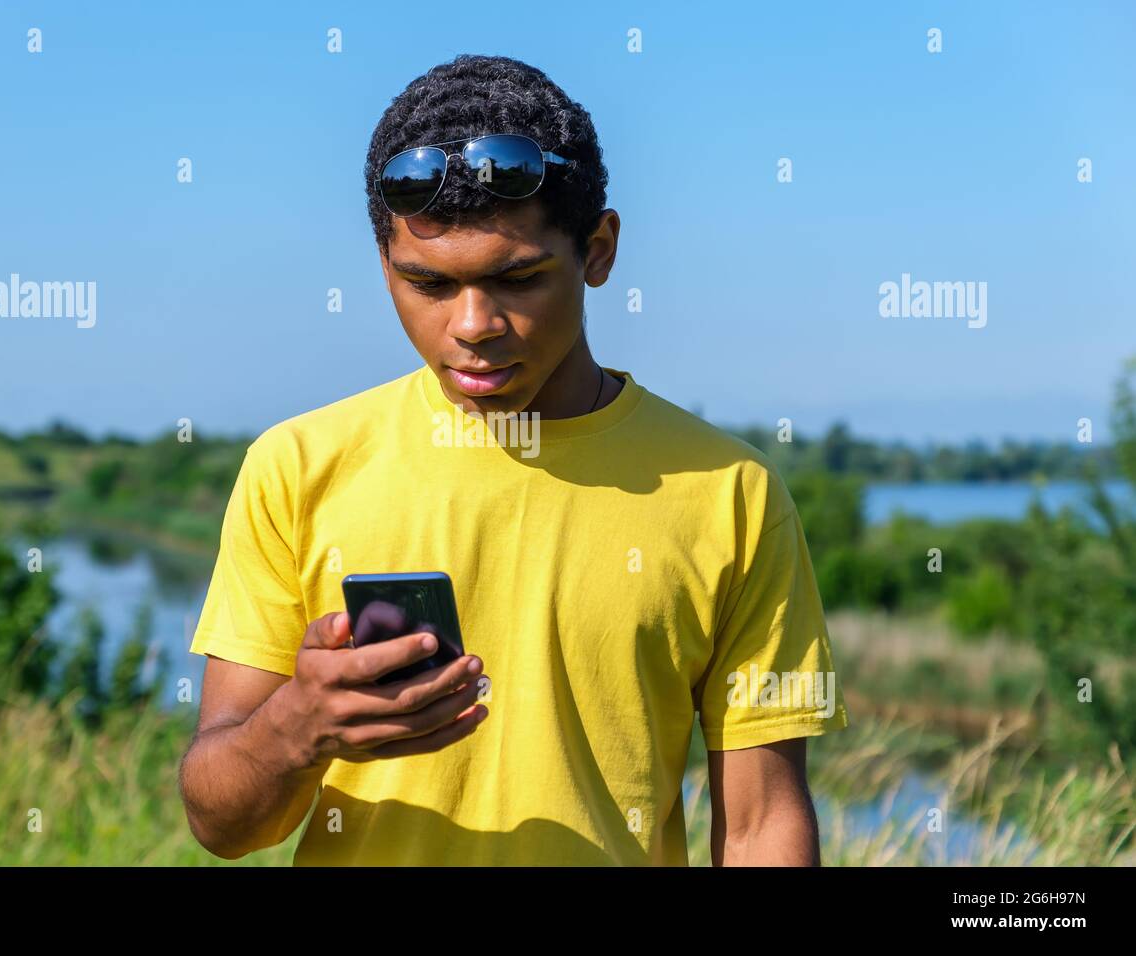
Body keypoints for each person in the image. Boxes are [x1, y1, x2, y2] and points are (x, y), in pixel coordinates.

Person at [178, 53, 848, 866]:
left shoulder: (729, 494)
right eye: (426, 284)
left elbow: (760, 825)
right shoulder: (296, 466)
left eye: (518, 279)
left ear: (598, 251)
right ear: (383, 263)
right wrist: (294, 731)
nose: (472, 326)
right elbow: (222, 826)